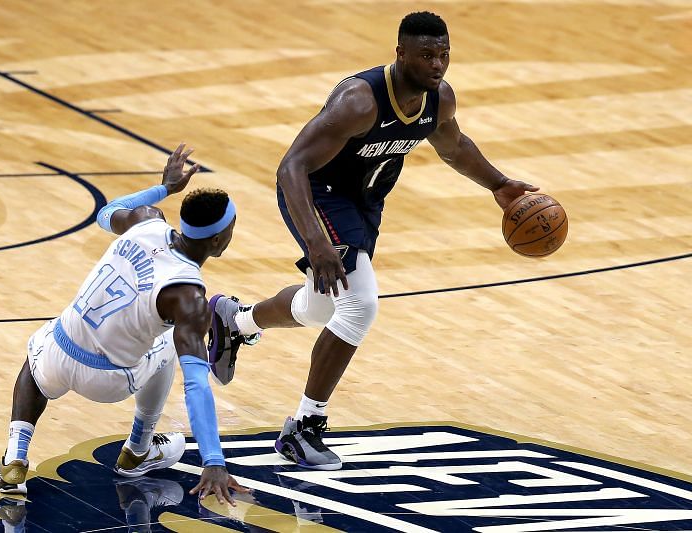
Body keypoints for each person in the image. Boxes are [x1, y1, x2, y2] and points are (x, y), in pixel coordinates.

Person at [207, 11, 539, 470]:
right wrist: (316, 241)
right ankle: (304, 427)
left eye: (443, 55)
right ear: (400, 53)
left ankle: (235, 322)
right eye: (426, 55)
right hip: (315, 193)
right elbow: (291, 168)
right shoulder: (359, 101)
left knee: (323, 306)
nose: (437, 65)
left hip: (365, 202)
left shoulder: (438, 99)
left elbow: (454, 146)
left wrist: (498, 184)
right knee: (360, 304)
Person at [0, 144, 248, 505]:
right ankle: (138, 448)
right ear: (218, 242)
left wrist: (165, 189)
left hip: (56, 355)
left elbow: (107, 212)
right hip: (107, 379)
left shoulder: (147, 219)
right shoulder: (190, 298)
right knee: (174, 343)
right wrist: (213, 461)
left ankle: (14, 459)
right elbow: (196, 386)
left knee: (39, 345)